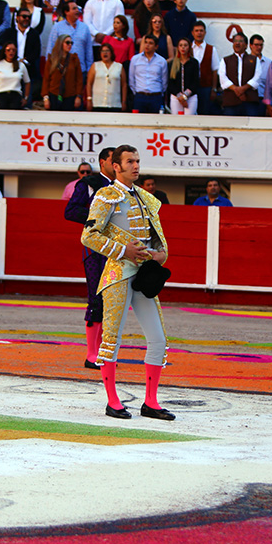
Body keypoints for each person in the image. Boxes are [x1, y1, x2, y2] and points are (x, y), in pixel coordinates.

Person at [81, 144, 174, 421]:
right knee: (112, 339)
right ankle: (112, 401)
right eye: (130, 161)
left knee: (158, 339)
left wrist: (161, 255)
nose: (136, 166)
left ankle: (151, 402)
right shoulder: (106, 195)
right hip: (117, 274)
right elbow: (88, 236)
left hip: (144, 273)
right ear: (116, 166)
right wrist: (124, 251)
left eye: (138, 161)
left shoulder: (146, 197)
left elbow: (158, 240)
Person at [64, 147, 115, 369]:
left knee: (113, 301)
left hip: (117, 249)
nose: (117, 165)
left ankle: (104, 352)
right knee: (96, 297)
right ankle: (92, 355)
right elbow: (71, 211)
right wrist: (98, 218)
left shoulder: (124, 187)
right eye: (114, 160)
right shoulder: (90, 183)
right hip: (95, 249)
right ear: (102, 162)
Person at [219, 32, 262, 117]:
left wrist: (243, 89)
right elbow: (223, 78)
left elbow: (257, 77)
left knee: (251, 127)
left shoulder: (254, 60)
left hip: (250, 101)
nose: (237, 43)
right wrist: (236, 89)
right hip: (231, 102)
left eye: (240, 41)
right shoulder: (226, 60)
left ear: (246, 45)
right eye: (235, 41)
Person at [46, 0, 93, 76]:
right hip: (62, 70)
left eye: (77, 8)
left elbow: (88, 52)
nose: (77, 11)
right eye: (74, 8)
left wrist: (89, 70)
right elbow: (51, 48)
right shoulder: (57, 27)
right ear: (66, 12)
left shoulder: (84, 28)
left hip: (81, 71)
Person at [43, 35, 84, 111]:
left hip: (70, 95)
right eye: (67, 43)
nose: (70, 45)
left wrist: (78, 96)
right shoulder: (52, 59)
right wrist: (46, 98)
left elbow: (79, 79)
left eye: (71, 43)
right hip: (54, 94)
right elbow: (46, 79)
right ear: (61, 43)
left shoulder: (74, 59)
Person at [130, 35, 169, 113]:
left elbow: (164, 81)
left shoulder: (162, 61)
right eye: (146, 42)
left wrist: (158, 93)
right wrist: (137, 92)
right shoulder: (135, 59)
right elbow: (131, 79)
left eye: (150, 43)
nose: (147, 45)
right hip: (140, 96)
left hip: (156, 97)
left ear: (156, 47)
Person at [14, 8, 43, 106]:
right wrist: (17, 61)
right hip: (12, 70)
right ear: (17, 18)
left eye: (29, 17)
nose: (26, 19)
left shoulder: (34, 34)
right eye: (24, 16)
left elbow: (36, 52)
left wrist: (24, 61)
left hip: (29, 70)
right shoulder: (9, 33)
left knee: (27, 101)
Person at [0, 42, 31, 109]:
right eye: (8, 50)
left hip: (15, 95)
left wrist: (25, 98)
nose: (11, 52)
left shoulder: (21, 65)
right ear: (5, 51)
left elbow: (27, 82)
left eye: (13, 50)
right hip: (1, 95)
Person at [191, 21, 220, 115]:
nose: (199, 33)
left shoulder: (211, 49)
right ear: (192, 33)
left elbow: (215, 70)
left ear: (205, 33)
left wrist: (214, 89)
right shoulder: (188, 48)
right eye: (196, 31)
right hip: (190, 88)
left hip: (206, 88)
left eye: (201, 31)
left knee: (204, 113)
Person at [87, 43, 126, 112]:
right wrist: (89, 99)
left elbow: (124, 85)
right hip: (97, 103)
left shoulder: (119, 67)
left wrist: (123, 101)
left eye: (107, 51)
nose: (105, 53)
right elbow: (89, 83)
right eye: (103, 51)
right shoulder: (95, 66)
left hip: (114, 104)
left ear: (111, 53)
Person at [168, 37, 199, 115]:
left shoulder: (194, 63)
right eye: (181, 45)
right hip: (176, 97)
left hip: (190, 97)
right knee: (176, 120)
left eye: (185, 45)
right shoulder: (173, 63)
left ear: (189, 47)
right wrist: (180, 97)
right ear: (178, 47)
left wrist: (185, 96)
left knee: (189, 119)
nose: (183, 47)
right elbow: (170, 82)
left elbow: (195, 81)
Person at [248, 34, 270, 109]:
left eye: (261, 45)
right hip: (248, 100)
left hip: (263, 100)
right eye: (256, 45)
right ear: (250, 45)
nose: (259, 47)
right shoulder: (245, 61)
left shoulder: (269, 63)